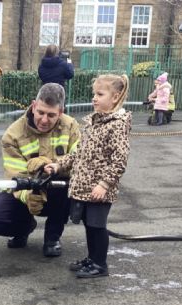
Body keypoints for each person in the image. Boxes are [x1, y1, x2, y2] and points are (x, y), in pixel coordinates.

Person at [0, 83, 80, 257]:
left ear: (60, 112)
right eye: (40, 112)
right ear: (33, 106)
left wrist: (52, 165)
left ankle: (53, 237)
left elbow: (79, 163)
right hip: (24, 190)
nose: (44, 120)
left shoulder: (70, 126)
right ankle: (23, 228)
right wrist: (28, 197)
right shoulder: (13, 134)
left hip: (58, 189)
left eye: (51, 115)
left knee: (65, 188)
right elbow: (14, 175)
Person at [54, 74, 131, 278]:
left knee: (97, 226)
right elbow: (78, 153)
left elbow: (119, 160)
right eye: (94, 94)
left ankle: (100, 264)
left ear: (115, 97)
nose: (94, 98)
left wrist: (104, 185)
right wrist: (58, 165)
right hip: (86, 187)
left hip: (99, 189)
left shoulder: (117, 124)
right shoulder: (94, 123)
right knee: (90, 225)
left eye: (100, 94)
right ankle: (92, 258)